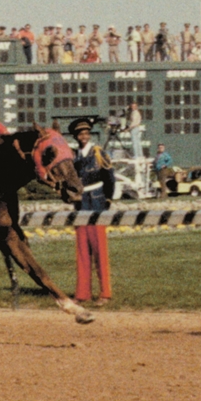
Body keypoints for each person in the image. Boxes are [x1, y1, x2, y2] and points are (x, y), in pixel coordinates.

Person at [69, 118, 114, 304]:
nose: (84, 137)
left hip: (96, 202)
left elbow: (109, 178)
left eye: (86, 133)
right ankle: (82, 293)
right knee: (82, 251)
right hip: (81, 204)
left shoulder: (98, 153)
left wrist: (107, 200)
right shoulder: (72, 157)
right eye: (80, 134)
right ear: (76, 137)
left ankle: (104, 293)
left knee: (99, 251)